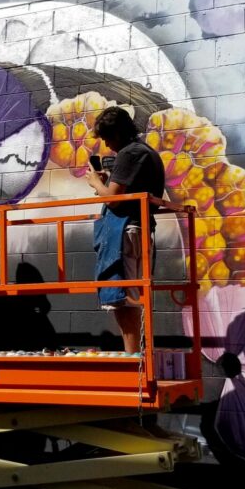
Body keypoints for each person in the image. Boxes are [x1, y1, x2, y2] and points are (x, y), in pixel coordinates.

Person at [83, 106, 165, 353]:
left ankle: (134, 358)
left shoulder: (130, 153)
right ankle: (138, 355)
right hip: (138, 229)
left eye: (108, 138)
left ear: (117, 133)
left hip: (126, 232)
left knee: (123, 299)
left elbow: (114, 199)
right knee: (132, 296)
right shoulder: (146, 152)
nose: (107, 146)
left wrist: (97, 182)